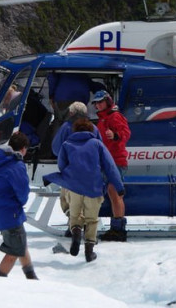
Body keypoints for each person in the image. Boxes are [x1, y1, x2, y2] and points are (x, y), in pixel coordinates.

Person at [43, 118, 124, 262]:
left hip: (74, 188)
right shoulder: (97, 144)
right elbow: (110, 167)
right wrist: (119, 187)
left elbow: (62, 166)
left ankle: (75, 233)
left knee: (75, 216)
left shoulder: (67, 144)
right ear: (91, 130)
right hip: (93, 188)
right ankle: (89, 252)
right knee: (92, 220)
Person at [0, 131, 38, 279]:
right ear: (23, 149)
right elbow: (22, 192)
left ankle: (31, 277)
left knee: (20, 243)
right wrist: (21, 202)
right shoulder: (15, 165)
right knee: (14, 250)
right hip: (10, 212)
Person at [51, 101, 103, 236]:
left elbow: (56, 148)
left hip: (71, 172)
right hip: (91, 173)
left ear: (71, 112)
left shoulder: (66, 127)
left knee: (68, 200)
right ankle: (87, 229)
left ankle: (73, 225)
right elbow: (100, 147)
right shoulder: (93, 128)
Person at [92, 90, 131, 242]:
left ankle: (118, 229)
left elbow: (126, 133)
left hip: (115, 162)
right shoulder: (103, 119)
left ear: (107, 101)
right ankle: (116, 227)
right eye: (95, 103)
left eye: (100, 101)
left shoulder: (114, 116)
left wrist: (115, 135)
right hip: (106, 162)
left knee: (114, 192)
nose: (97, 105)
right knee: (110, 192)